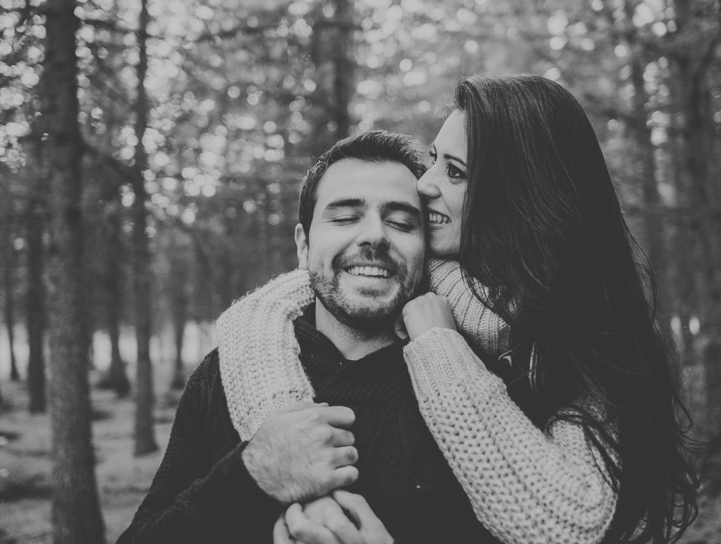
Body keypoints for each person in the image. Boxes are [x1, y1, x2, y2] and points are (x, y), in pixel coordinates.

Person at [218, 74, 700, 544]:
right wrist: (294, 462)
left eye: (454, 171)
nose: (423, 185)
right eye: (433, 160)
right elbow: (258, 315)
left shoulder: (587, 337)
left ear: (520, 197)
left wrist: (437, 344)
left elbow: (568, 522)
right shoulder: (403, 273)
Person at [117, 130, 510, 544]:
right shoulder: (221, 375)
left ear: (425, 251)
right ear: (304, 246)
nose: (374, 236)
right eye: (344, 217)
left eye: (400, 222)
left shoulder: (477, 390)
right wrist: (251, 475)